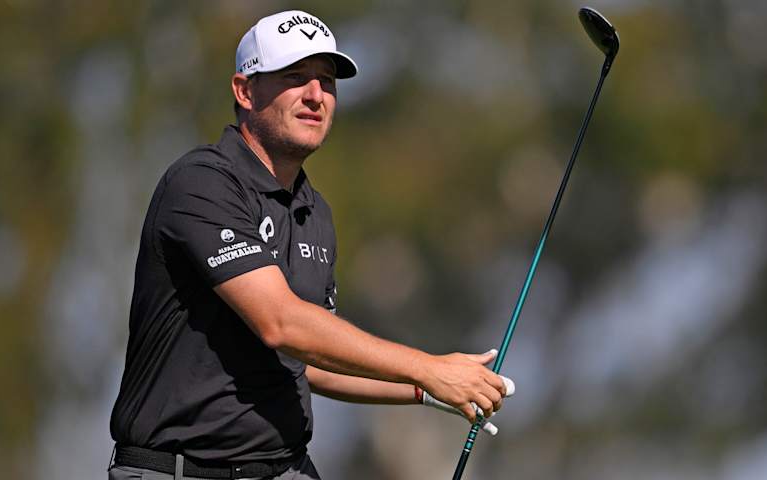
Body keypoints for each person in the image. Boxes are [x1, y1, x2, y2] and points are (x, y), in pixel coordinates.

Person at [108, 10, 513, 480]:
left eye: (327, 81)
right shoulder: (202, 183)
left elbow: (310, 364)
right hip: (180, 471)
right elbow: (282, 324)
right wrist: (426, 367)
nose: (316, 95)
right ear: (244, 90)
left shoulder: (313, 211)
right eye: (295, 77)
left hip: (285, 470)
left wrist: (425, 390)